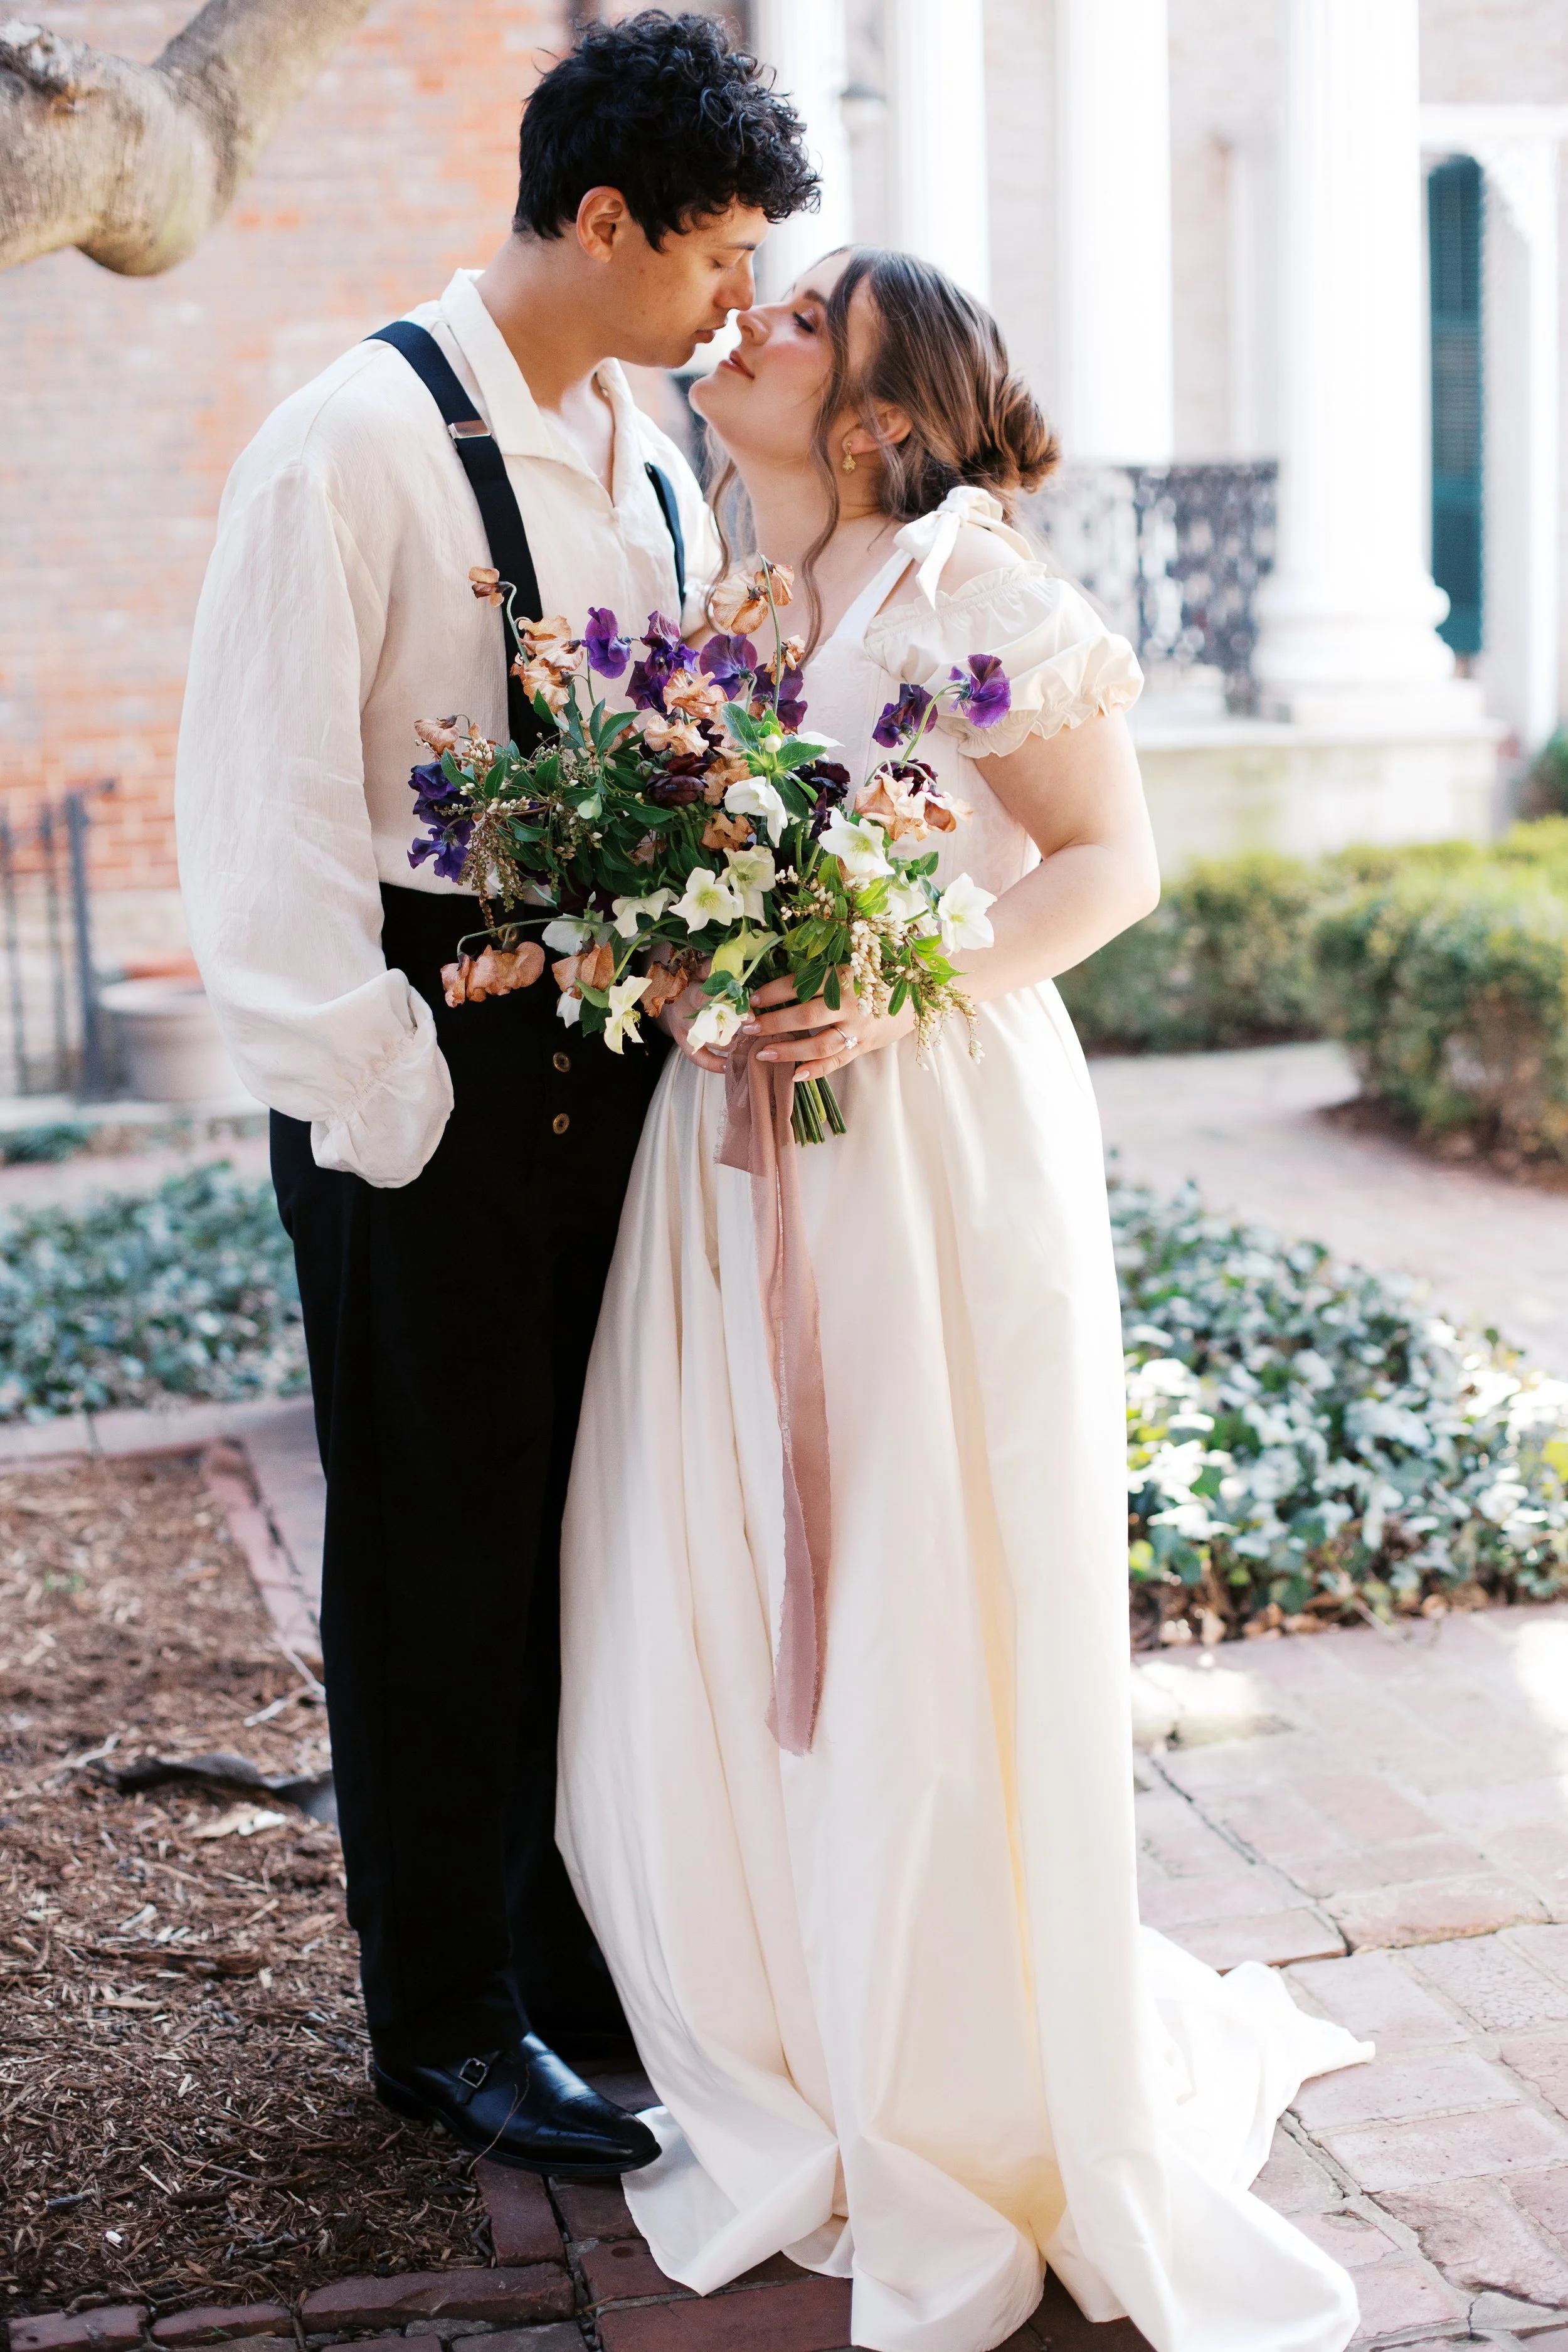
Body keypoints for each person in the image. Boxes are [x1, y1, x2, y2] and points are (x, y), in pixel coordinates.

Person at [555, 249, 1372, 2348]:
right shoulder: (741, 584)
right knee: (723, 1573)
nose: (747, 322)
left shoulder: (963, 588)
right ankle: (802, 2014)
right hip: (731, 1153)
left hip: (921, 1141)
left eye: (800, 311)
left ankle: (960, 2049)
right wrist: (687, 955)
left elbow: (1109, 866)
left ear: (873, 405)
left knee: (921, 1571)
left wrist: (898, 986)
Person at [174, 13, 817, 2175]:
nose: (741, 299)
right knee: (440, 1550)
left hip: (607, 1060)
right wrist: (382, 1099)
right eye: (718, 252)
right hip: (416, 1062)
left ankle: (566, 1960)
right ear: (606, 217)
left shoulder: (641, 449)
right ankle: (438, 2018)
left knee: (594, 1522)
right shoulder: (347, 441)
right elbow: (255, 820)